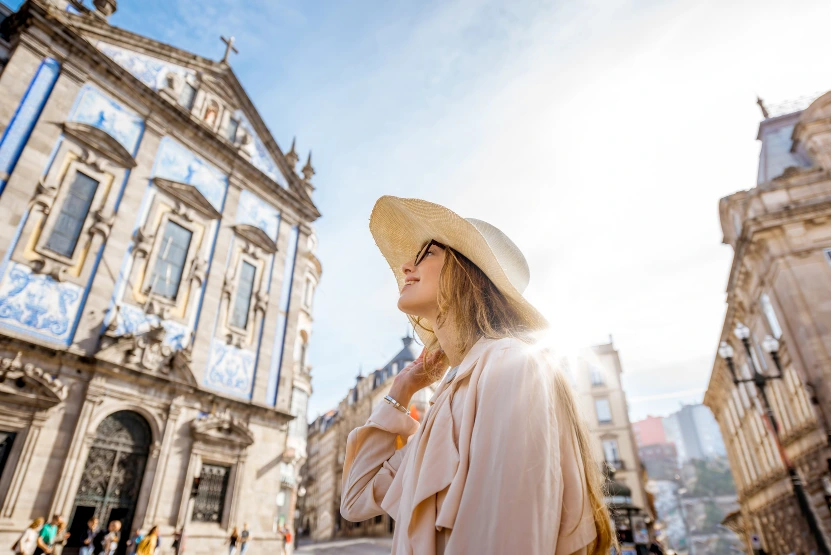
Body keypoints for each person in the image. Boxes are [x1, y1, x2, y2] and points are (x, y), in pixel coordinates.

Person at [340, 197, 617, 554]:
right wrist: (402, 390)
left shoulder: (512, 366)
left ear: (468, 273)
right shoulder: (451, 398)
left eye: (427, 253)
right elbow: (356, 499)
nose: (406, 266)